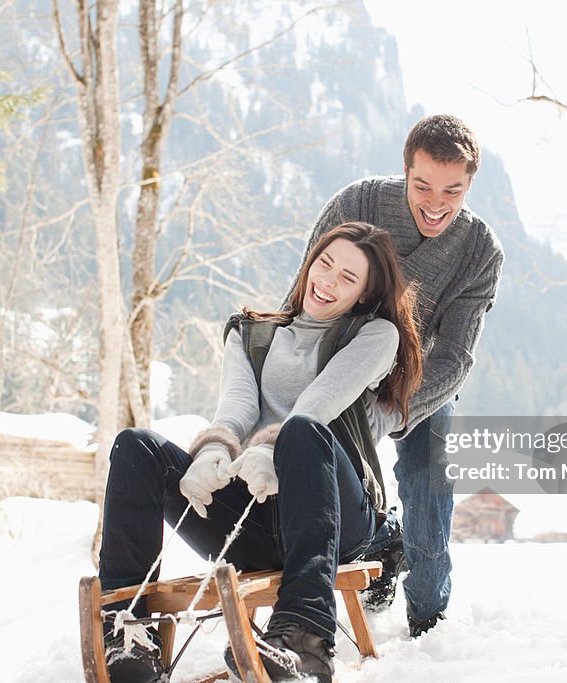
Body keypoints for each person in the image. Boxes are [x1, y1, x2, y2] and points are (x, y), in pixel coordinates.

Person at [97, 222, 422, 683]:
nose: (327, 281)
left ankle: (305, 636)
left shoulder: (374, 336)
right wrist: (212, 451)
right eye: (324, 264)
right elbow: (235, 408)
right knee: (135, 447)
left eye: (347, 278)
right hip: (252, 517)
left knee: (304, 431)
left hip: (332, 514)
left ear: (365, 296)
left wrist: (272, 449)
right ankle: (128, 630)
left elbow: (319, 404)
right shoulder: (251, 333)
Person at [293, 114, 504, 637]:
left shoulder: (480, 251)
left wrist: (390, 410)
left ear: (470, 184)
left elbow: (455, 356)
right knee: (318, 469)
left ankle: (428, 620)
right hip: (338, 360)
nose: (437, 203)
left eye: (452, 190)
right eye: (423, 186)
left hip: (421, 379)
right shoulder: (357, 205)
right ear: (404, 171)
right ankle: (379, 546)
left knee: (428, 480)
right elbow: (307, 292)